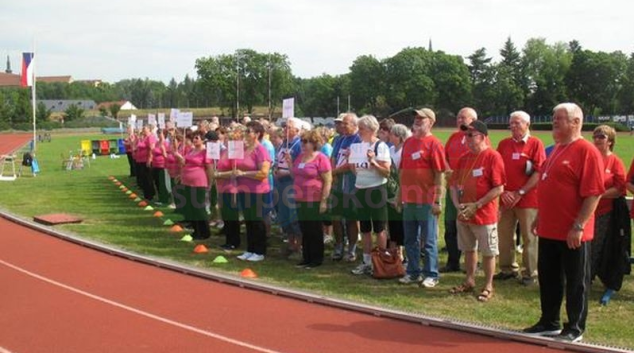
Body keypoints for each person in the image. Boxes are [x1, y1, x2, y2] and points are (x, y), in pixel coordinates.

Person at [523, 103, 604, 342]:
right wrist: (539, 216)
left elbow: (593, 193)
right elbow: (547, 184)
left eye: (560, 118)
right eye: (553, 117)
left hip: (573, 232)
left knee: (576, 282)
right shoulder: (556, 149)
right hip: (549, 230)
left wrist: (578, 225)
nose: (554, 121)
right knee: (549, 279)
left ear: (576, 122)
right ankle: (549, 321)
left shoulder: (586, 151)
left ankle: (575, 328)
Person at [449, 120, 505, 302]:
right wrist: (458, 205)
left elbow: (499, 188)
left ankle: (488, 285)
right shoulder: (464, 158)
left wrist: (477, 205)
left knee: (488, 251)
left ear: (482, 137)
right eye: (466, 135)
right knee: (468, 249)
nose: (466, 138)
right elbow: (453, 184)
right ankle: (469, 280)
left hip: (484, 214)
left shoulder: (492, 157)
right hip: (464, 213)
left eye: (470, 135)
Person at [396, 109, 446, 287]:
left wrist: (438, 200)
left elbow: (440, 174)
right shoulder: (408, 142)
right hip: (409, 200)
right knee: (410, 239)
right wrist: (399, 195)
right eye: (416, 118)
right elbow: (403, 171)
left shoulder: (434, 144)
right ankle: (413, 271)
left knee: (429, 240)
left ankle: (431, 274)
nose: (417, 121)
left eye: (421, 119)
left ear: (431, 122)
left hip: (426, 200)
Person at [495, 111, 546, 286]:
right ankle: (507, 269)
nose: (513, 126)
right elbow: (496, 170)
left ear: (527, 124)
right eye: (511, 123)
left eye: (517, 123)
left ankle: (530, 273)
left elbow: (539, 172)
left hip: (528, 199)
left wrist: (520, 192)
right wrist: (503, 192)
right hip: (506, 198)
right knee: (505, 235)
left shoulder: (535, 144)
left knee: (529, 237)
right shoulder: (503, 144)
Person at [350, 115, 391, 275]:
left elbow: (386, 172)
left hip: (376, 189)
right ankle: (366, 261)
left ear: (371, 130)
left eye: (362, 129)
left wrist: (373, 162)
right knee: (365, 227)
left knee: (379, 227)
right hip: (361, 188)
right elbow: (355, 171)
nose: (359, 132)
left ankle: (380, 261)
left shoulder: (381, 146)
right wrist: (352, 160)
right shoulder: (358, 146)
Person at [590, 125, 626, 305]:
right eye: (595, 136)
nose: (597, 139)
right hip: (584, 211)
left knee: (597, 245)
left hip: (604, 211)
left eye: (601, 137)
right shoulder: (588, 158)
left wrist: (598, 195)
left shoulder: (615, 162)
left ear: (610, 141)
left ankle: (590, 276)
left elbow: (620, 188)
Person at [442, 107, 478, 272]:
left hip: (471, 190)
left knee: (472, 227)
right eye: (458, 117)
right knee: (451, 225)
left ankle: (472, 263)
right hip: (453, 189)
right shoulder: (453, 137)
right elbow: (444, 157)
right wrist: (448, 169)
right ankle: (453, 261)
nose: (460, 120)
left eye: (463, 117)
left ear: (473, 120)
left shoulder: (479, 138)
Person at [290, 129, 333, 268]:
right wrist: (290, 163)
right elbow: (295, 175)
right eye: (302, 141)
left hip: (314, 199)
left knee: (314, 229)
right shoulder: (300, 157)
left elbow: (328, 180)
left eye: (306, 141)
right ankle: (306, 257)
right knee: (304, 229)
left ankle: (316, 258)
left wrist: (324, 201)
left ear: (314, 143)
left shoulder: (321, 158)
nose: (303, 144)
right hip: (300, 198)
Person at [233, 121, 272, 262]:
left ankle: (259, 251)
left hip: (258, 191)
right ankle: (250, 249)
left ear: (257, 134)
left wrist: (243, 174)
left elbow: (263, 173)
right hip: (244, 190)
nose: (246, 133)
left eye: (249, 131)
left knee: (257, 221)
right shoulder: (244, 149)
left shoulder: (261, 150)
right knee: (249, 220)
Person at [330, 113, 361, 262]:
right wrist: (333, 174)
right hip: (337, 184)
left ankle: (352, 248)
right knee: (336, 217)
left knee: (351, 218)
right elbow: (333, 157)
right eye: (342, 123)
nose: (342, 126)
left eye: (346, 124)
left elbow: (352, 164)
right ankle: (339, 245)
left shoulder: (359, 140)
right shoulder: (339, 139)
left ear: (355, 125)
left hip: (351, 183)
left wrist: (334, 172)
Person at [173, 130, 213, 240]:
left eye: (197, 138)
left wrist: (210, 182)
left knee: (198, 207)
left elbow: (209, 168)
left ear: (202, 140)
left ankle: (204, 231)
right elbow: (185, 163)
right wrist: (179, 159)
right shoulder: (191, 151)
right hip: (187, 181)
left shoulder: (205, 152)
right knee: (191, 206)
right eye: (194, 138)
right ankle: (196, 230)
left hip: (198, 182)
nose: (194, 140)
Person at [274, 117, 303, 258]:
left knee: (293, 215)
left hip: (292, 183)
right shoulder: (283, 144)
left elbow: (298, 166)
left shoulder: (298, 145)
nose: (285, 129)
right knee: (284, 215)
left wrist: (284, 172)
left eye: (288, 127)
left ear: (297, 130)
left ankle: (298, 246)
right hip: (281, 183)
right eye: (285, 127)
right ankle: (290, 244)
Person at [386, 123, 411, 259]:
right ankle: (394, 249)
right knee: (392, 221)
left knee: (401, 221)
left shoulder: (405, 151)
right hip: (390, 189)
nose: (390, 136)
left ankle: (402, 251)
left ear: (400, 137)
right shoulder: (390, 150)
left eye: (393, 134)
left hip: (402, 189)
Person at [148, 128, 170, 205]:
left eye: (160, 133)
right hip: (155, 164)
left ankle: (164, 198)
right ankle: (160, 196)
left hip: (162, 165)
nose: (158, 135)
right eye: (158, 133)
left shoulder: (166, 144)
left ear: (164, 134)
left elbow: (167, 155)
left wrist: (163, 151)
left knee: (162, 183)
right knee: (156, 182)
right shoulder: (157, 143)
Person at [136, 125, 157, 202]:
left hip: (146, 160)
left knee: (148, 178)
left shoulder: (150, 137)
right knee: (144, 178)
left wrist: (149, 159)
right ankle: (146, 194)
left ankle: (150, 195)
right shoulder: (144, 137)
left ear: (149, 129)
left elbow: (152, 149)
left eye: (144, 129)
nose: (143, 130)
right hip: (141, 160)